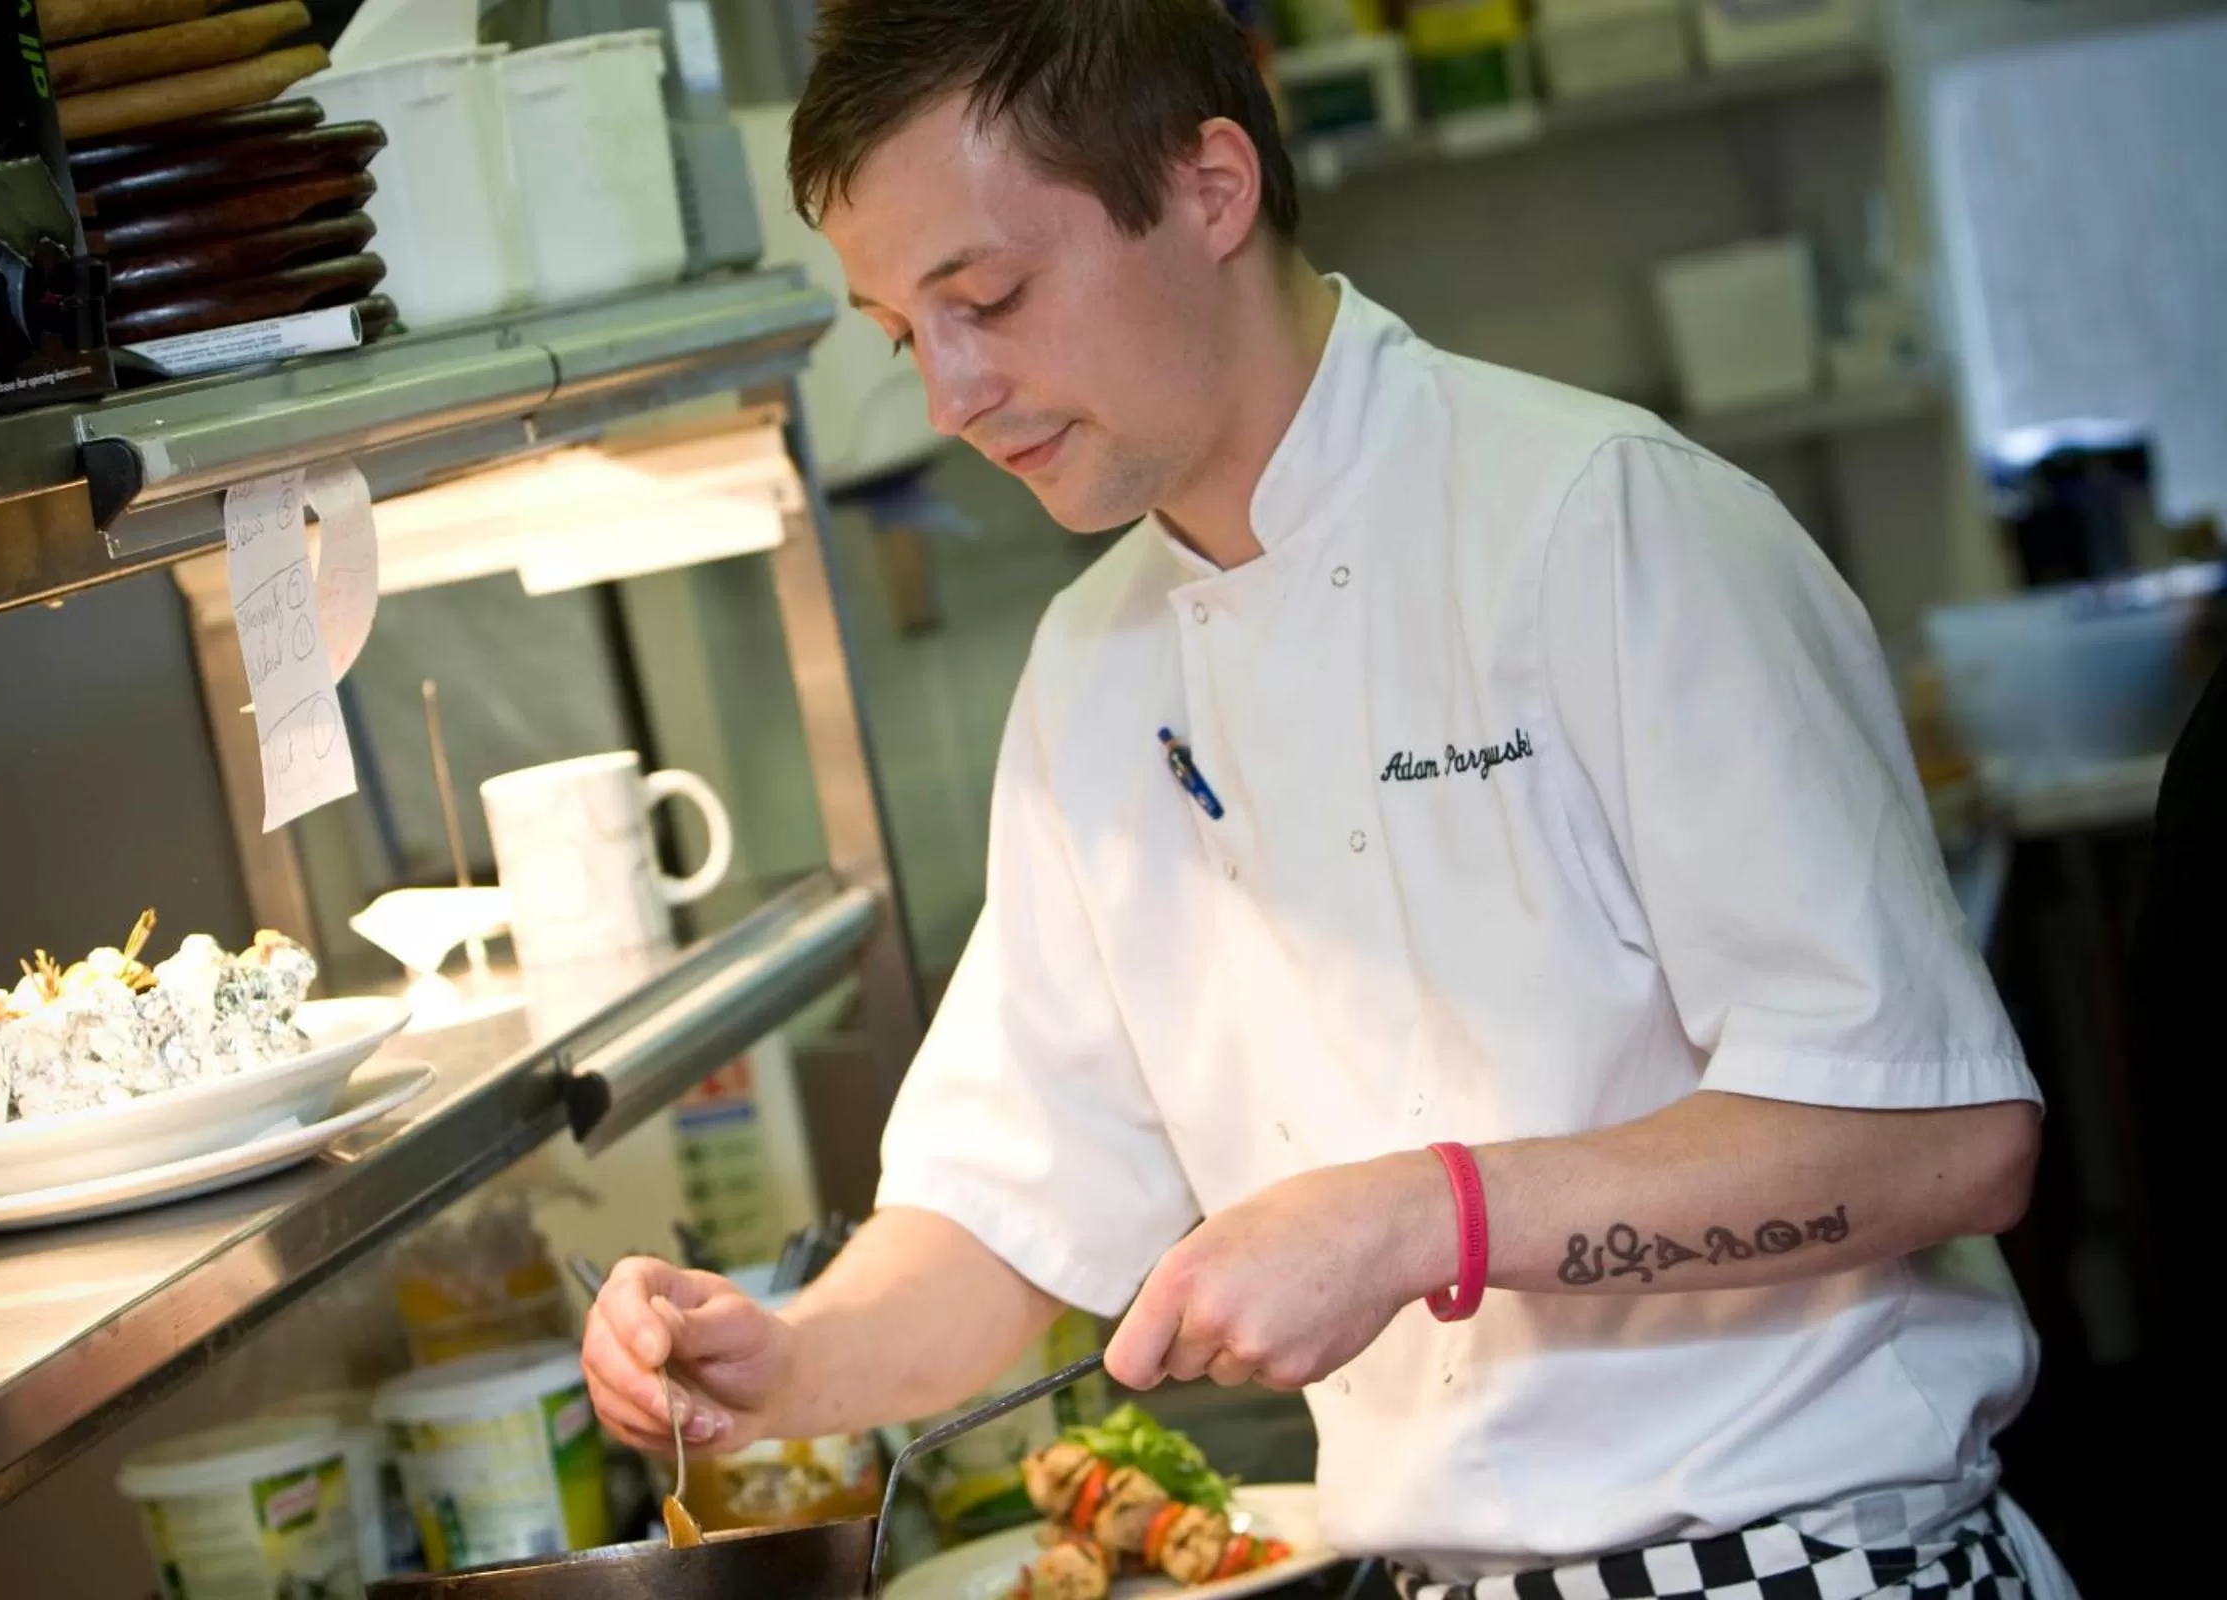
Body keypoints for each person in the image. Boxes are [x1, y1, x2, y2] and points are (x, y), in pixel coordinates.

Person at [584, 2, 2075, 1592]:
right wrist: (786, 1357)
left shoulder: (1601, 524)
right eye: (900, 333)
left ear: (1212, 188)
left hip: (1806, 1555)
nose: (949, 394)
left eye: (990, 298)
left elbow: (1942, 1135)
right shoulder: (1093, 671)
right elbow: (1011, 1209)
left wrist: (1423, 1217)